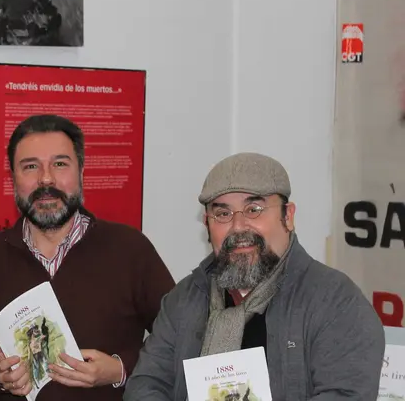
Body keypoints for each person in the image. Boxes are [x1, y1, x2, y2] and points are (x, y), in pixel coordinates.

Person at [123, 152, 386, 400]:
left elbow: (345, 394)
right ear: (207, 224)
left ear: (288, 216)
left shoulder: (336, 303)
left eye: (254, 210)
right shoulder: (184, 300)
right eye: (223, 214)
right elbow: (146, 384)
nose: (238, 227)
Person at [0, 114, 175, 401]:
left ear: (81, 170)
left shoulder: (130, 248)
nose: (46, 178)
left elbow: (180, 340)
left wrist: (119, 369)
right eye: (30, 166)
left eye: (60, 164)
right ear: (13, 178)